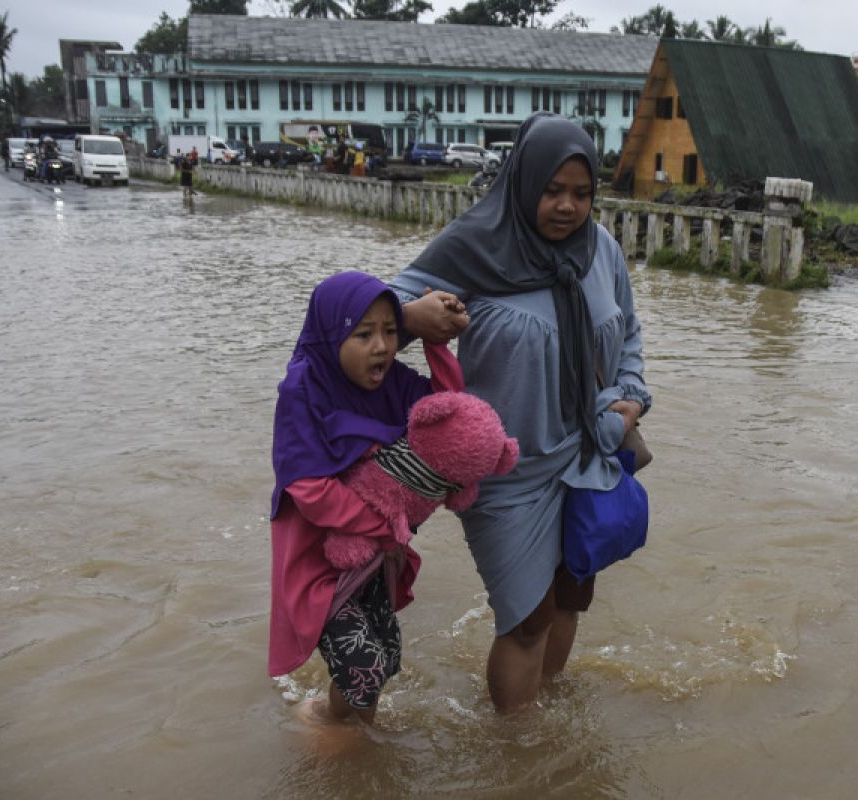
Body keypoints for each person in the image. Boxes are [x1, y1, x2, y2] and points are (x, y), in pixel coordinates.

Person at [390, 112, 651, 713]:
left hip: (588, 454)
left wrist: (631, 397)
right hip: (504, 473)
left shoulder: (600, 249)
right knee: (526, 618)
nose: (567, 207)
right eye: (552, 191)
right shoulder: (477, 246)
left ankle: (544, 727)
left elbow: (629, 332)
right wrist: (412, 319)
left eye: (582, 194)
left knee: (568, 599)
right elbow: (380, 311)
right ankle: (512, 750)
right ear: (522, 182)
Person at [268, 271, 468, 726]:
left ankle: (348, 726)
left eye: (391, 332)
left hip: (376, 555)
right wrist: (385, 524)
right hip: (319, 558)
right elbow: (309, 490)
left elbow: (451, 414)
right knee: (362, 668)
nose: (381, 346)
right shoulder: (302, 389)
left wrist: (434, 341)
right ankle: (327, 727)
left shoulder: (392, 381)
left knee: (383, 655)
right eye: (363, 334)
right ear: (331, 334)